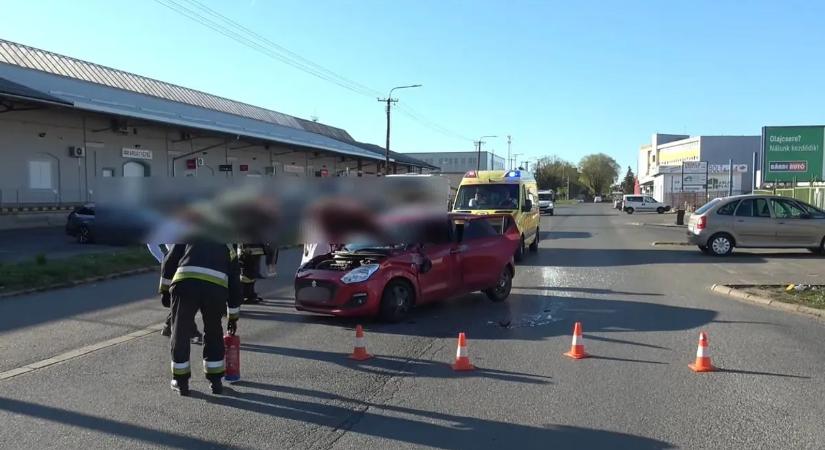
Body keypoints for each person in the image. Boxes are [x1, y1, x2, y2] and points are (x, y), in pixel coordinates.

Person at [160, 242, 242, 396]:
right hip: (215, 289)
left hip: (185, 285)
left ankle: (181, 382)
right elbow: (234, 281)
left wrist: (164, 290)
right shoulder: (227, 243)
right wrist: (233, 316)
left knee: (180, 332)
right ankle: (215, 382)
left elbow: (170, 260)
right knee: (213, 332)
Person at [150, 243, 203, 344]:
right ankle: (189, 332)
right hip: (177, 263)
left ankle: (169, 325)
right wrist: (162, 258)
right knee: (187, 299)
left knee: (184, 299)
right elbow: (151, 243)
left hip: (186, 261)